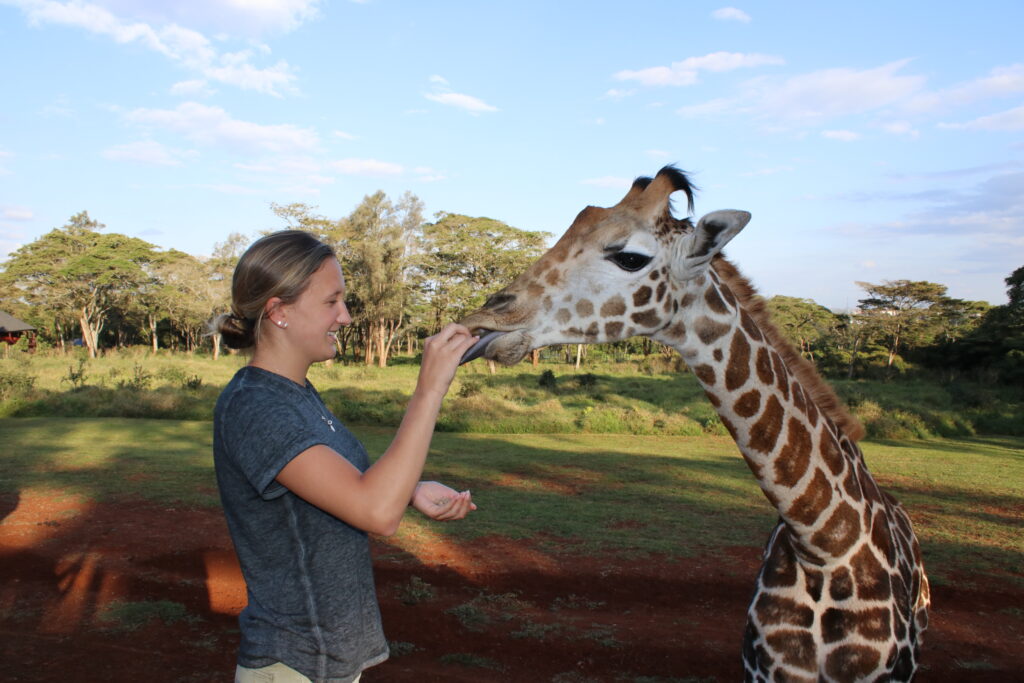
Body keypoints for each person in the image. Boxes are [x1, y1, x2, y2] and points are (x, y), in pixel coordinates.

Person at [211, 230, 478, 683]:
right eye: (331, 302)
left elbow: (335, 487)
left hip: (324, 661)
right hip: (294, 664)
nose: (346, 316)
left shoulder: (293, 395)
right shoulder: (255, 406)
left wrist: (409, 489)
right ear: (279, 312)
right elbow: (375, 511)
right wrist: (431, 387)